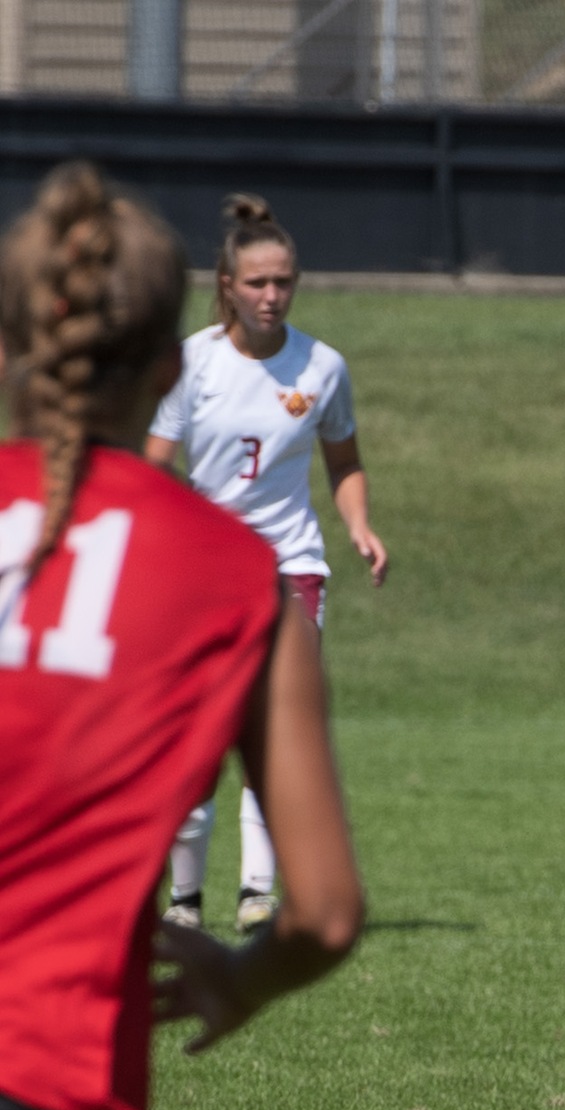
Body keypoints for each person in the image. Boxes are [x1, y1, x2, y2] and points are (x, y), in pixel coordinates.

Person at [0, 162, 364, 1110]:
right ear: (170, 367)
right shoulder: (225, 576)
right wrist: (242, 971)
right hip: (39, 1092)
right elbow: (324, 912)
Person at [145, 194, 387, 937]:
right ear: (226, 286)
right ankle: (185, 900)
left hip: (290, 566)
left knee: (277, 726)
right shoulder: (190, 363)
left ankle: (257, 891)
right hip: (202, 574)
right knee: (196, 734)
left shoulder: (322, 367)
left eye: (284, 281)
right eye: (257, 283)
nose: (272, 296)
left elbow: (343, 460)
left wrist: (359, 523)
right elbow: (153, 469)